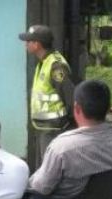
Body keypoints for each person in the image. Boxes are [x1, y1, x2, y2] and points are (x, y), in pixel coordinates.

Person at [19, 25, 75, 168]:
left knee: (50, 169)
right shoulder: (44, 63)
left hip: (53, 129)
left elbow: (70, 97)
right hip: (43, 128)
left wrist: (65, 124)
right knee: (44, 168)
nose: (26, 44)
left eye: (28, 41)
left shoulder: (56, 66)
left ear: (37, 44)